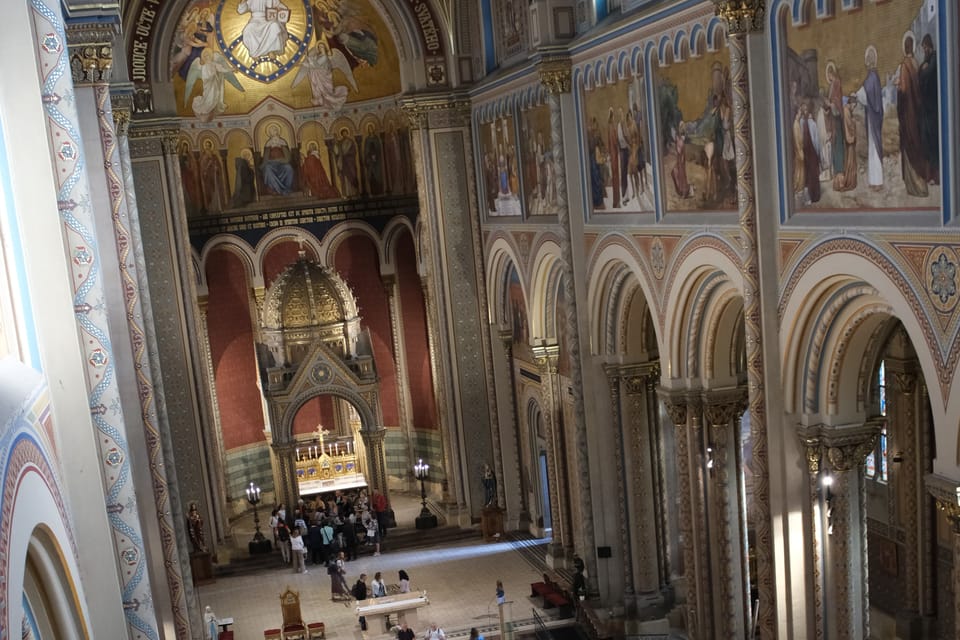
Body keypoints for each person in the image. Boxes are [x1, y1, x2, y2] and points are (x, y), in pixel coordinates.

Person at [895, 31, 930, 196]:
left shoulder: (904, 66)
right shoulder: (916, 63)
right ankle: (921, 183)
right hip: (917, 113)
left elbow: (903, 90)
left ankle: (914, 186)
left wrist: (897, 87)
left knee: (909, 145)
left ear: (904, 47)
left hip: (908, 114)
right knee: (917, 144)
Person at [855, 45, 884, 190]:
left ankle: (877, 182)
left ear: (870, 60)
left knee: (874, 150)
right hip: (874, 117)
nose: (866, 62)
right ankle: (874, 181)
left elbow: (866, 95)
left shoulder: (872, 77)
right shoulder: (875, 76)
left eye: (867, 59)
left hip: (873, 118)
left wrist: (856, 95)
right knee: (873, 150)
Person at [917, 34, 938, 183]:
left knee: (933, 140)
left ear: (929, 46)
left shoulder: (934, 58)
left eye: (925, 46)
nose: (924, 49)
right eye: (923, 47)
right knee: (925, 140)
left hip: (932, 108)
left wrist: (923, 70)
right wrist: (922, 69)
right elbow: (920, 73)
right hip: (925, 108)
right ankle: (929, 174)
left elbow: (928, 73)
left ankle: (936, 176)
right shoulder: (926, 60)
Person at [261, 125, 294, 195]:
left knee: (289, 168)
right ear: (270, 134)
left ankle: (287, 188)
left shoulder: (282, 142)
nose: (274, 132)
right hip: (271, 165)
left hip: (283, 164)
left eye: (275, 130)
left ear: (278, 132)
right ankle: (275, 189)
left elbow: (288, 158)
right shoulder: (268, 144)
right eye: (272, 131)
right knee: (267, 168)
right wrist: (263, 165)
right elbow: (265, 159)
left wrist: (277, 160)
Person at [334, 128, 359, 197]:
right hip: (344, 162)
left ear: (347, 133)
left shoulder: (351, 142)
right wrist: (336, 143)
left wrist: (348, 154)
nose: (344, 134)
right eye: (343, 133)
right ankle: (346, 193)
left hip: (350, 162)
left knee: (352, 175)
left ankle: (354, 192)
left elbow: (354, 151)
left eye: (345, 133)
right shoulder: (340, 142)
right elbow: (337, 152)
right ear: (342, 134)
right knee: (345, 178)